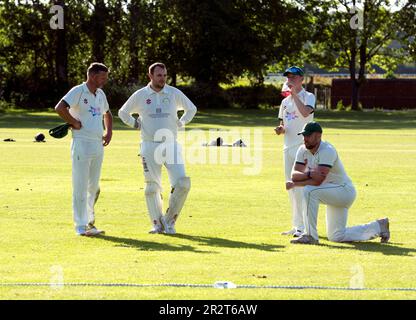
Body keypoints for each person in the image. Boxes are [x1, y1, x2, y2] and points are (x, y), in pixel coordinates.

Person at [118, 62, 197, 234]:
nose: (163, 78)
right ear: (151, 76)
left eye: (165, 75)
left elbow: (191, 108)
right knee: (152, 186)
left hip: (171, 144)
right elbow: (123, 112)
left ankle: (169, 221)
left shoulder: (173, 93)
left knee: (182, 183)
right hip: (149, 145)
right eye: (159, 75)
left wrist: (181, 122)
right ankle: (156, 223)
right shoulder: (141, 95)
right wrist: (135, 124)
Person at [286, 122, 390, 245]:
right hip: (330, 190)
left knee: (309, 191)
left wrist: (300, 181)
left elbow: (318, 181)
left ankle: (310, 235)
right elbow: (294, 176)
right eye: (303, 135)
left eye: (308, 135)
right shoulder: (302, 149)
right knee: (336, 236)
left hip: (343, 191)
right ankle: (379, 226)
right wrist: (309, 174)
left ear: (318, 136)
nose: (305, 139)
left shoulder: (327, 150)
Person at [55, 62, 113, 236]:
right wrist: (73, 122)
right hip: (81, 143)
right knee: (80, 185)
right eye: (103, 77)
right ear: (93, 76)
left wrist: (108, 132)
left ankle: (89, 223)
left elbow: (107, 113)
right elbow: (60, 107)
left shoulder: (100, 94)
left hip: (97, 144)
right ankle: (80, 226)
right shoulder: (78, 91)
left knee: (93, 187)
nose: (105, 80)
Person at [274, 66, 316, 237]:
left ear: (301, 79)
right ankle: (297, 225)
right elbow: (284, 124)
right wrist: (280, 129)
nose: (290, 79)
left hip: (304, 148)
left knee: (301, 187)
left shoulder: (309, 96)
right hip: (288, 148)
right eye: (288, 77)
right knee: (291, 187)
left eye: (293, 77)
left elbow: (306, 113)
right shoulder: (285, 102)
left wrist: (294, 95)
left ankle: (305, 227)